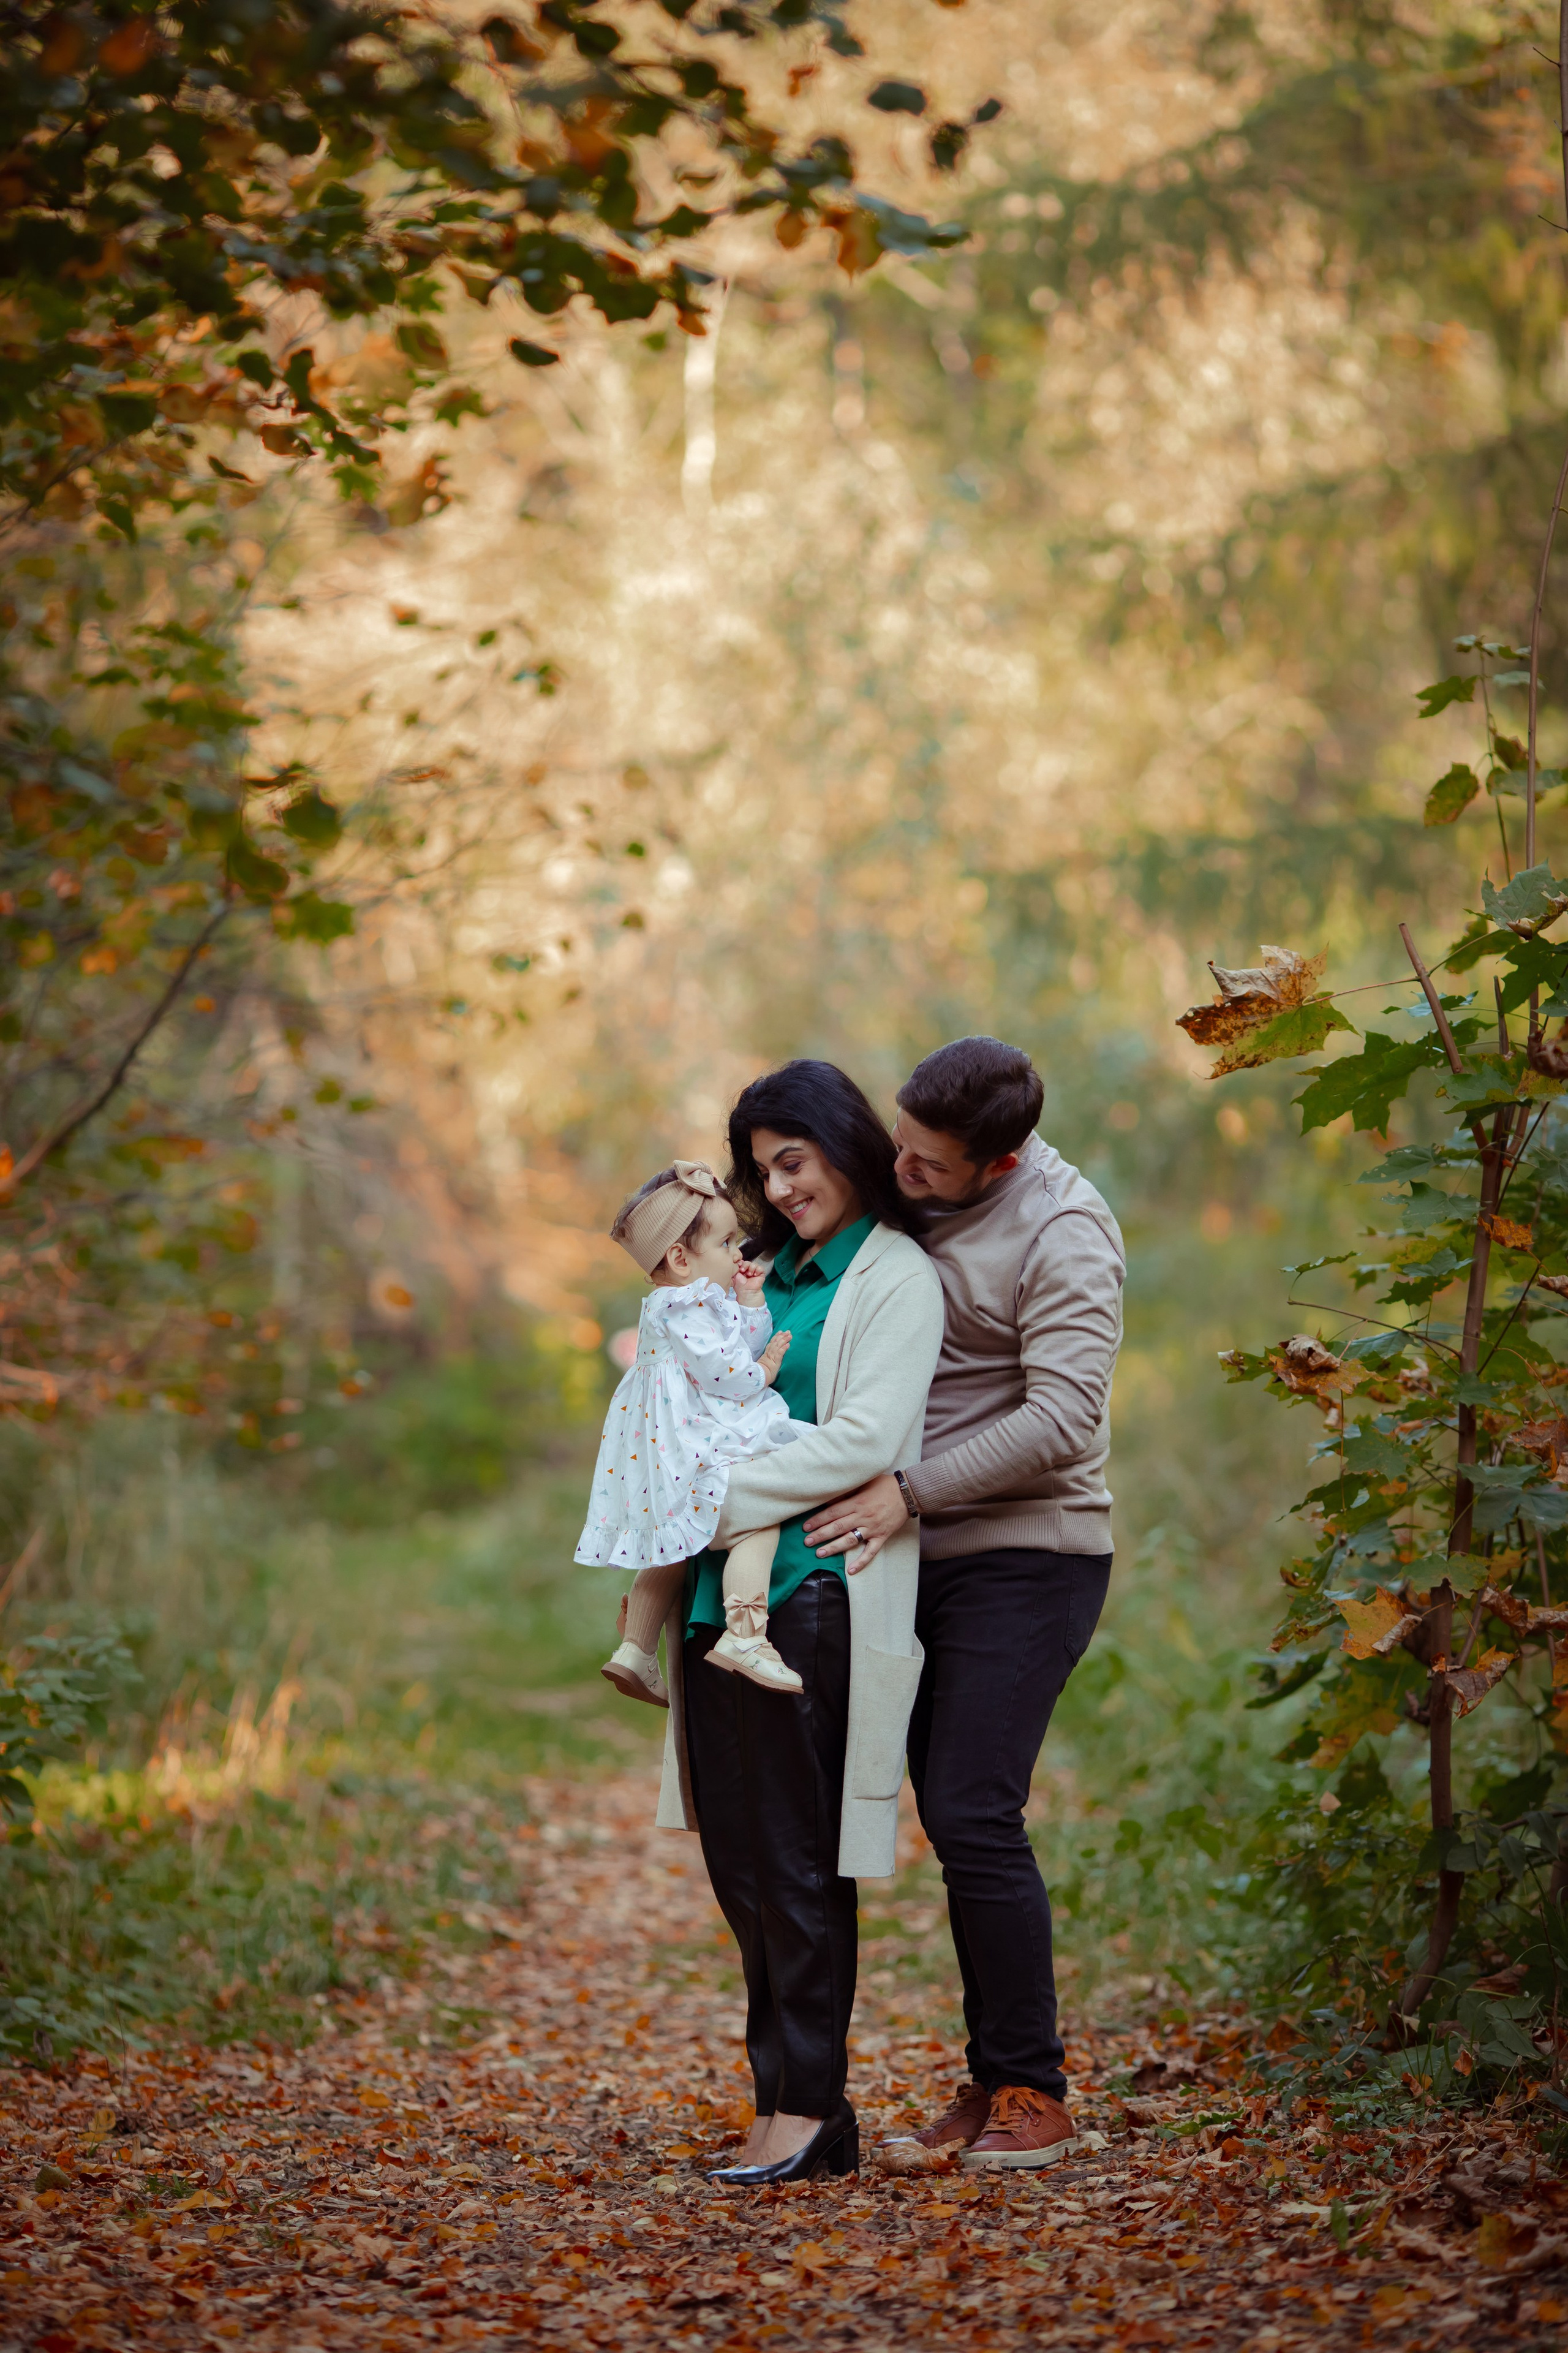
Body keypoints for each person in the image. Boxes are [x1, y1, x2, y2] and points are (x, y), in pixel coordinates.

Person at [805, 1035, 1124, 2174]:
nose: (903, 1171)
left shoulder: (1063, 1230)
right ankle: (993, 2079)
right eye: (900, 1143)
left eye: (930, 1164)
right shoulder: (914, 1178)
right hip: (911, 1551)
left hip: (1028, 1553)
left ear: (999, 1163)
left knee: (975, 1808)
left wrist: (912, 1490)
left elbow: (1066, 1417)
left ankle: (1035, 2089)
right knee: (943, 1815)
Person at [655, 1061, 944, 2186]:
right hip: (710, 1600)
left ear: (841, 1145)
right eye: (762, 1169)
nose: (777, 1188)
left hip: (812, 1597)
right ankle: (777, 2096)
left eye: (794, 1160)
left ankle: (811, 2108)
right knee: (741, 1865)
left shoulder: (895, 1277)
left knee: (794, 1862)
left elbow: (864, 1439)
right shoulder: (754, 1274)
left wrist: (702, 1502)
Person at [577, 1160, 809, 1700]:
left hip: (668, 1458)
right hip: (697, 1447)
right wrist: (766, 1372)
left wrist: (751, 1304)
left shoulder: (679, 1304)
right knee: (759, 1519)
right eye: (728, 1243)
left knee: (675, 1548)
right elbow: (729, 1372)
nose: (740, 1253)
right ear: (680, 1258)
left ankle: (635, 1647)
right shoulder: (685, 1304)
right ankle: (747, 1634)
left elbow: (727, 1352)